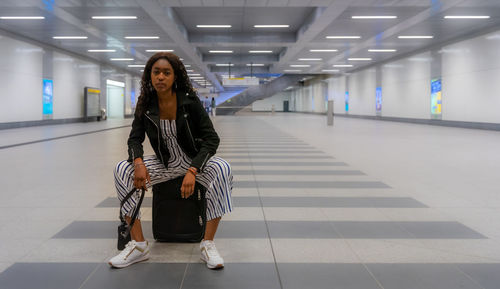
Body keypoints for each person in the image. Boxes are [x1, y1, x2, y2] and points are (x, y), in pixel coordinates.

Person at [108, 52, 233, 270]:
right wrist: (138, 163)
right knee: (121, 169)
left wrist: (193, 170)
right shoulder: (145, 102)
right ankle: (138, 245)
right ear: (150, 75)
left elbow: (212, 139)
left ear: (175, 76)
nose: (161, 77)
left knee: (223, 168)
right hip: (165, 164)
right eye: (156, 72)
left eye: (167, 73)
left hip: (194, 163)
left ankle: (208, 244)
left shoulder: (189, 101)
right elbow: (135, 138)